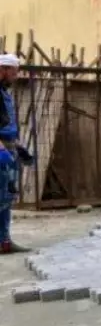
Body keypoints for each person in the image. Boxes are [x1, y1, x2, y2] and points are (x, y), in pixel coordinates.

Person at [0, 53, 32, 255]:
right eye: (13, 72)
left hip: (7, 147)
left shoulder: (4, 93)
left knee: (7, 197)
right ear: (2, 70)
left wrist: (16, 145)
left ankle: (4, 241)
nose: (16, 76)